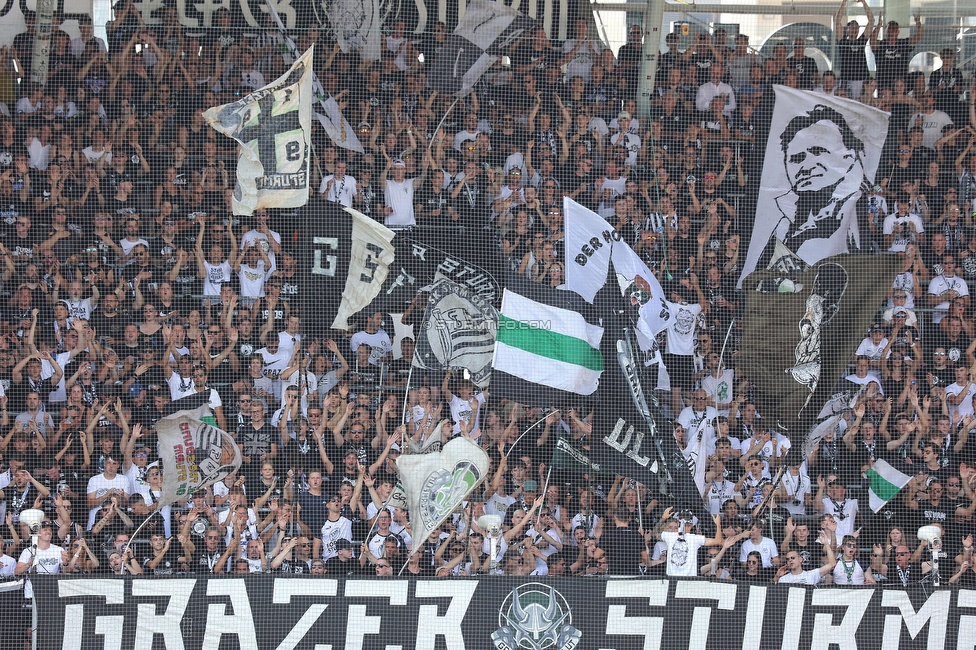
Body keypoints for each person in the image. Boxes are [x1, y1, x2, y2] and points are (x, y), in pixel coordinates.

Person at [760, 105, 868, 268]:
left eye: (817, 152)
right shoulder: (784, 221)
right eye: (796, 159)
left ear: (849, 156)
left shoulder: (854, 211)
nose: (806, 166)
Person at [658, 506, 723, 577]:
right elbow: (718, 541)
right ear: (692, 525)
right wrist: (718, 525)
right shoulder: (695, 539)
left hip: (672, 581)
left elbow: (655, 533)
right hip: (689, 582)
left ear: (678, 523)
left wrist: (663, 518)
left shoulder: (670, 536)